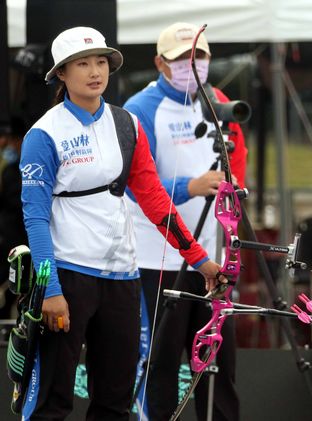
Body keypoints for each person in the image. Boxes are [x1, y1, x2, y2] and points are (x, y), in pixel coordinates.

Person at [19, 26, 224, 420]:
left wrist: (199, 260)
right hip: (67, 275)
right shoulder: (43, 133)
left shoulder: (126, 123)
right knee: (52, 401)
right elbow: (35, 217)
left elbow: (154, 199)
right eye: (82, 64)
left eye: (101, 62)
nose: (95, 71)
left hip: (122, 278)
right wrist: (49, 289)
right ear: (61, 73)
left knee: (115, 401)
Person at [124, 22, 247, 421]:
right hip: (156, 257)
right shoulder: (140, 108)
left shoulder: (217, 100)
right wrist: (190, 186)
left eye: (199, 57)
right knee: (159, 361)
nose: (191, 66)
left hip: (211, 254)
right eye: (180, 59)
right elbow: (132, 184)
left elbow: (237, 160)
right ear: (160, 63)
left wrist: (234, 197)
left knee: (219, 362)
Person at [0, 116, 27, 322]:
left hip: (20, 237)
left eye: (11, 139)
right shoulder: (10, 169)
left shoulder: (19, 169)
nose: (7, 143)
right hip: (12, 237)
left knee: (19, 285)